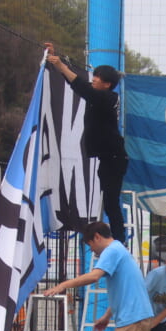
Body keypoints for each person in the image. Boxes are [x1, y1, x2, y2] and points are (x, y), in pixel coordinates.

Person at [44, 43, 128, 244]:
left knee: (111, 203)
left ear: (107, 84)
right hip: (107, 158)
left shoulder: (108, 98)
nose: (94, 79)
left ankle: (119, 241)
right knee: (109, 202)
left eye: (98, 77)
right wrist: (56, 63)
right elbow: (77, 85)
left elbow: (82, 88)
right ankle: (113, 238)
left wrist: (61, 66)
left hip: (115, 158)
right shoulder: (99, 96)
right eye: (94, 75)